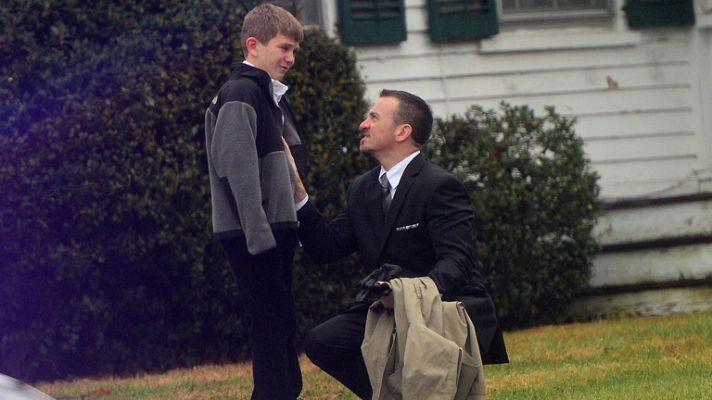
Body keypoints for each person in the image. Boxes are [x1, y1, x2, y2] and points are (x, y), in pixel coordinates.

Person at [286, 89, 508, 399]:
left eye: (374, 117)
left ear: (403, 131)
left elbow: (456, 262)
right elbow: (326, 247)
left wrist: (408, 295)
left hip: (442, 306)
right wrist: (295, 187)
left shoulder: (439, 186)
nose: (364, 124)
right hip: (389, 311)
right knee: (322, 340)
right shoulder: (362, 189)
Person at [204, 4, 306, 400]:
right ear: (254, 44)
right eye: (284, 48)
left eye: (294, 50)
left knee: (280, 320)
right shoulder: (240, 92)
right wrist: (259, 233)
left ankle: (284, 391)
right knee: (270, 321)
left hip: (272, 227)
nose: (290, 58)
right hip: (254, 232)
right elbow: (236, 167)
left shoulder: (268, 96)